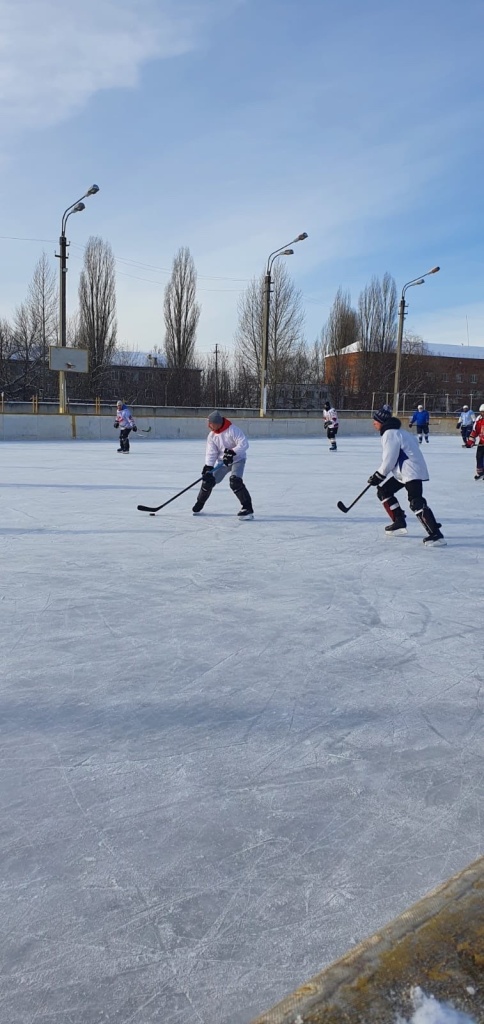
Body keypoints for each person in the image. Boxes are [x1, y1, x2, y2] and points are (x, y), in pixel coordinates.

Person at [368, 404, 445, 545]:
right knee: (384, 491)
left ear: (382, 422)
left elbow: (389, 458)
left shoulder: (389, 433)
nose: (374, 422)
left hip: (411, 471)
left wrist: (379, 475)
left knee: (416, 501)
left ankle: (436, 534)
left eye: (376, 420)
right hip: (405, 472)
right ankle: (399, 521)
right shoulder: (400, 432)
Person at [192, 411, 254, 518]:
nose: (209, 426)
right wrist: (208, 466)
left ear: (216, 423)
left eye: (210, 423)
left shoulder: (233, 430)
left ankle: (247, 507)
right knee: (208, 480)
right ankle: (200, 502)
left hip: (237, 460)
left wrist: (232, 452)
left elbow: (244, 443)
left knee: (235, 482)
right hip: (222, 463)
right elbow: (211, 452)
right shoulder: (212, 436)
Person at [466, 404, 484, 479]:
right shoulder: (479, 420)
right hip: (482, 442)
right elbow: (475, 431)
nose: (482, 413)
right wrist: (470, 441)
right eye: (481, 412)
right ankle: (480, 472)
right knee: (479, 457)